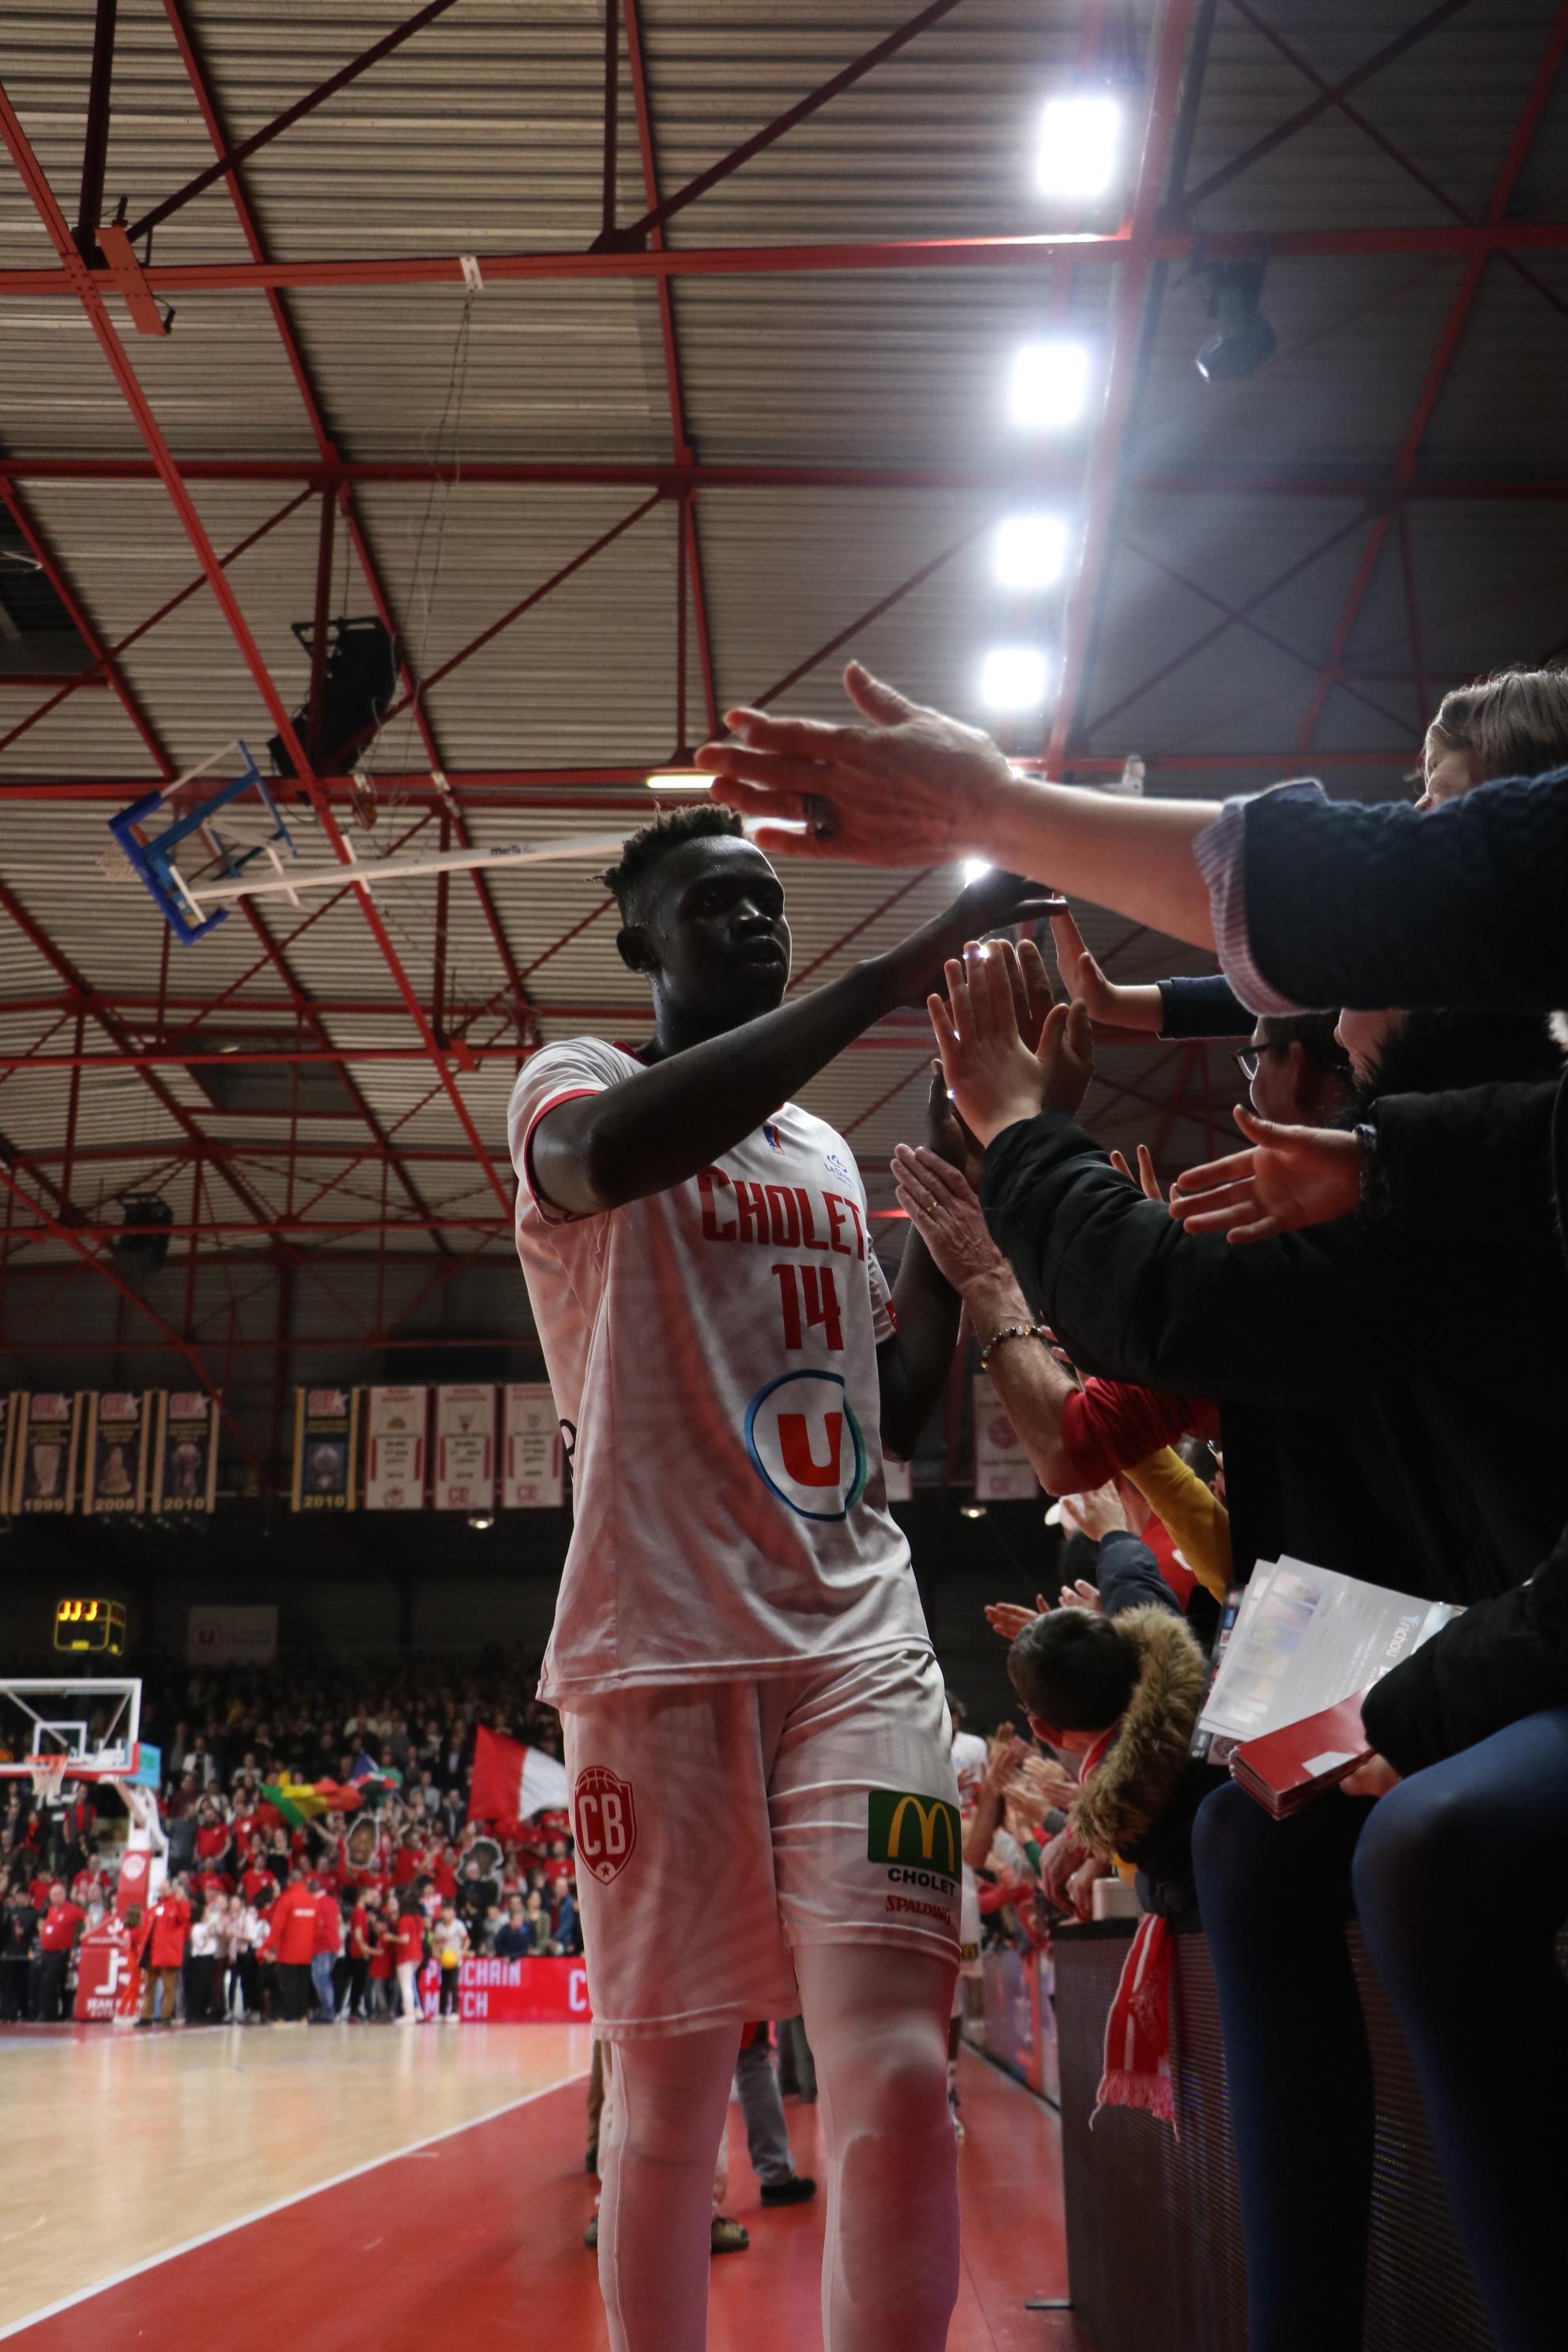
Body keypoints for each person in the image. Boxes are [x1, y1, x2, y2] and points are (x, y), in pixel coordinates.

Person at [509, 804, 1044, 2352]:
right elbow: (612, 1156)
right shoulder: (574, 1082)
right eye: (716, 904)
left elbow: (892, 1400)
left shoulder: (820, 1149)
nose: (755, 920)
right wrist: (886, 979)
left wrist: (956, 1180)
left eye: (768, 900)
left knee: (891, 2067)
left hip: (856, 1639)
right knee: (671, 2080)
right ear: (637, 939)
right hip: (659, 1644)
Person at [138, 1879, 190, 2025]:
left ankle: (166, 2016)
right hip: (152, 1953)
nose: (161, 1892)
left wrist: (180, 1901)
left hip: (168, 1953)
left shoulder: (176, 1906)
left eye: (164, 1889)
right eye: (160, 1890)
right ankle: (146, 2016)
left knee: (169, 1987)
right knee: (149, 1987)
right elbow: (146, 1931)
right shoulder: (154, 1908)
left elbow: (184, 1918)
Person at [35, 1878, 85, 2022]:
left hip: (60, 1952)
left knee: (49, 1981)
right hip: (47, 1951)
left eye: (58, 1894)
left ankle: (48, 2014)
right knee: (47, 1982)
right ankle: (52, 2012)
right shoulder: (50, 1910)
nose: (56, 1897)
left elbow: (85, 1917)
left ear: (64, 1895)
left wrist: (86, 1932)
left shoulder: (70, 1909)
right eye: (53, 1895)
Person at [432, 1899, 467, 2017]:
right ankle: (442, 2012)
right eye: (444, 1911)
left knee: (454, 1985)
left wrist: (461, 1953)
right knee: (444, 1986)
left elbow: (467, 1940)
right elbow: (435, 1942)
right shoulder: (439, 1927)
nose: (445, 1913)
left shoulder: (458, 1926)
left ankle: (455, 2011)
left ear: (453, 1912)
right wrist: (436, 1954)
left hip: (455, 1960)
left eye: (448, 1911)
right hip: (445, 1960)